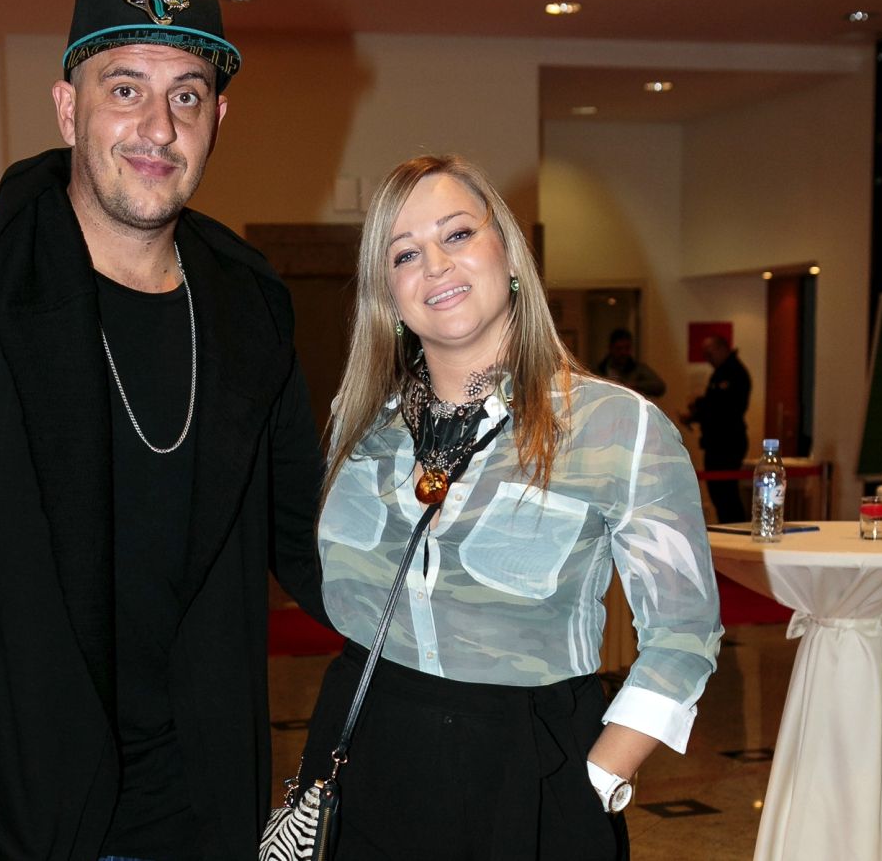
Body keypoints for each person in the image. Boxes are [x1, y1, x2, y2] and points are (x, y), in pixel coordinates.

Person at [0, 0, 325, 861]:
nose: (159, 126)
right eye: (125, 89)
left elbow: (311, 538)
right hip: (10, 808)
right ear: (69, 110)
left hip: (200, 809)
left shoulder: (248, 304)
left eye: (187, 94)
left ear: (219, 117)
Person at [297, 156, 723, 860]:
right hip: (363, 754)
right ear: (388, 295)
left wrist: (595, 778)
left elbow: (684, 633)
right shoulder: (361, 420)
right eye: (405, 254)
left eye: (457, 234)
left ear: (510, 253)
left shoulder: (617, 426)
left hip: (530, 770)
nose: (435, 264)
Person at [679, 333, 752, 525]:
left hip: (727, 442)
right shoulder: (720, 372)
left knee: (727, 495)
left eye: (709, 354)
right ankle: (730, 529)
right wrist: (696, 414)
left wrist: (700, 406)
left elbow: (725, 408)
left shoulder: (735, 373)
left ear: (722, 349)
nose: (707, 359)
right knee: (719, 495)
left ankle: (735, 531)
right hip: (716, 441)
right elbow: (715, 406)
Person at [594, 327, 666, 399]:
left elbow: (659, 386)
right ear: (611, 348)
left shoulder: (638, 369)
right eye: (619, 348)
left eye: (627, 348)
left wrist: (634, 385)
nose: (623, 352)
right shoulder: (600, 370)